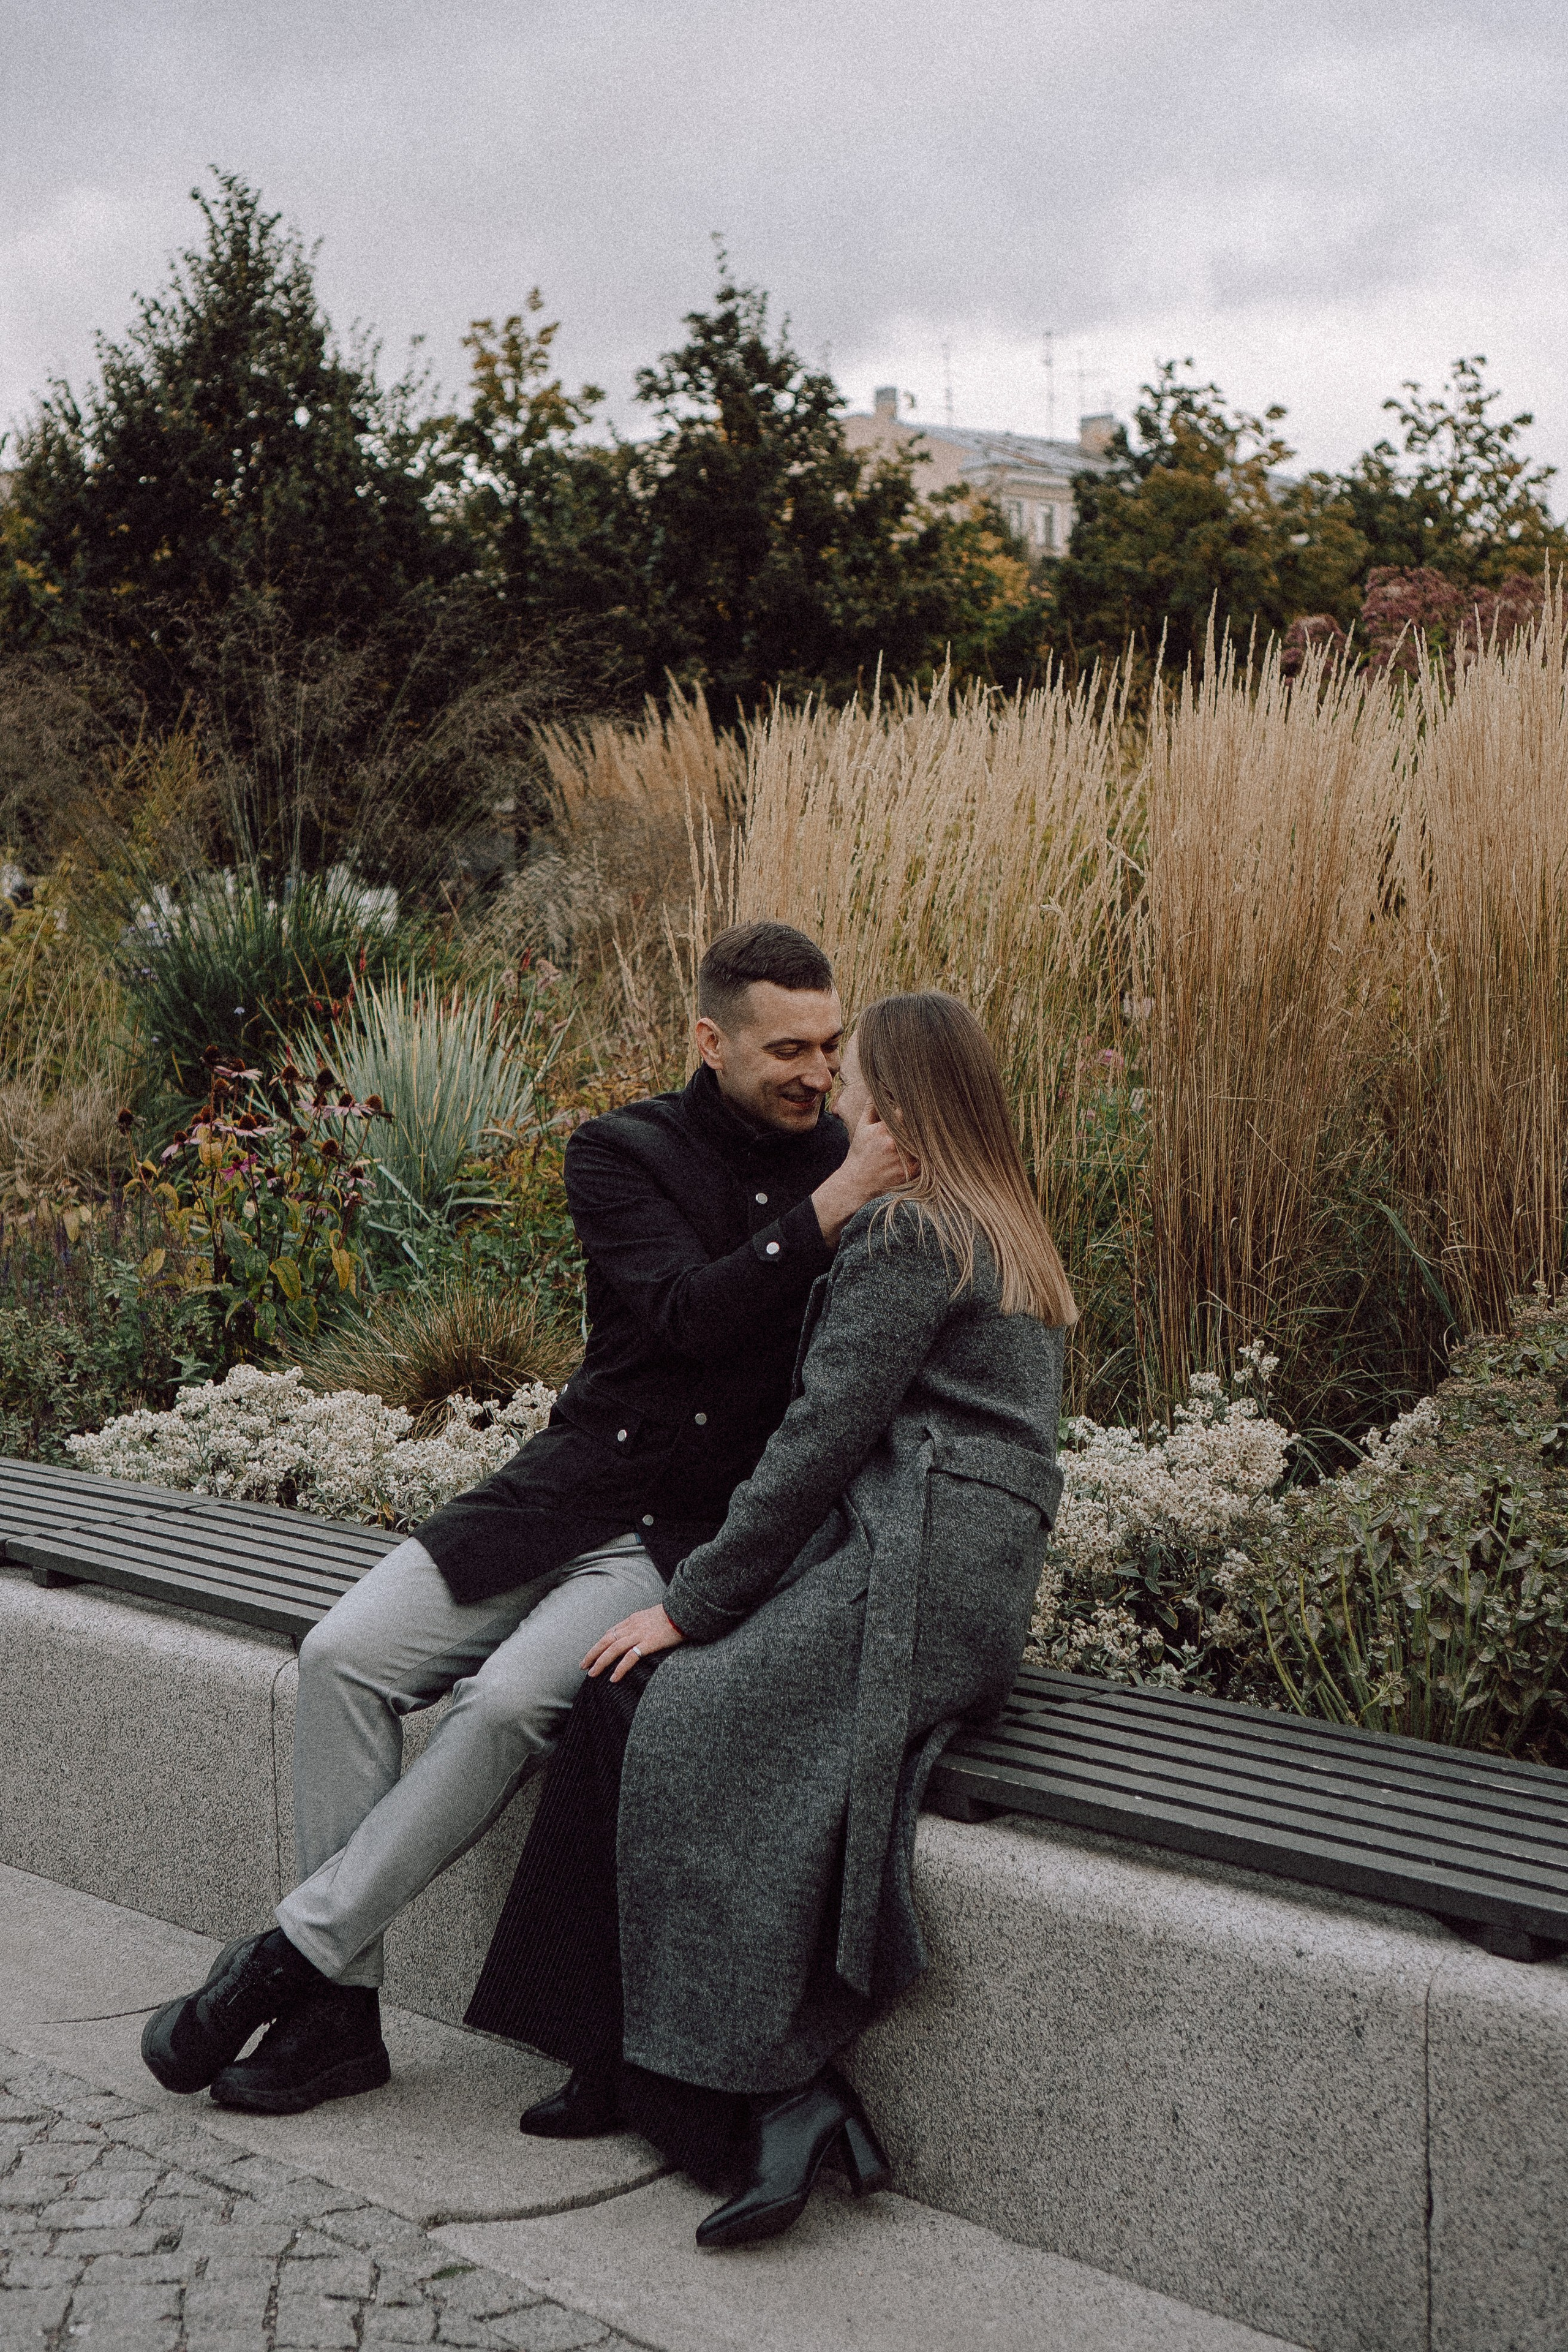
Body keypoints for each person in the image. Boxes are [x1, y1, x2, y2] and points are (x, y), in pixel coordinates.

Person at [138, 921, 911, 2117]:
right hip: (566, 1487)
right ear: (710, 1041)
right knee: (342, 1656)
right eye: (784, 1050)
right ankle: (338, 2016)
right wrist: (838, 1199)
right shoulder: (625, 1151)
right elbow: (682, 1315)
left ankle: (289, 1961)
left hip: (683, 1536)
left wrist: (855, 1184)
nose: (815, 1072)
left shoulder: (852, 1162)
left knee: (506, 1704)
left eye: (829, 1044)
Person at [465, 990, 1075, 2247]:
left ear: (893, 1101)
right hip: (955, 1579)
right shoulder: (1001, 1221)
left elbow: (817, 1442)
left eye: (848, 1074)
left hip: (904, 1575)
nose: (834, 1094)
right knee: (627, 1697)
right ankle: (624, 2060)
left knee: (664, 1711)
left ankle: (759, 2095)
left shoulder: (908, 1231)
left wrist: (693, 1605)